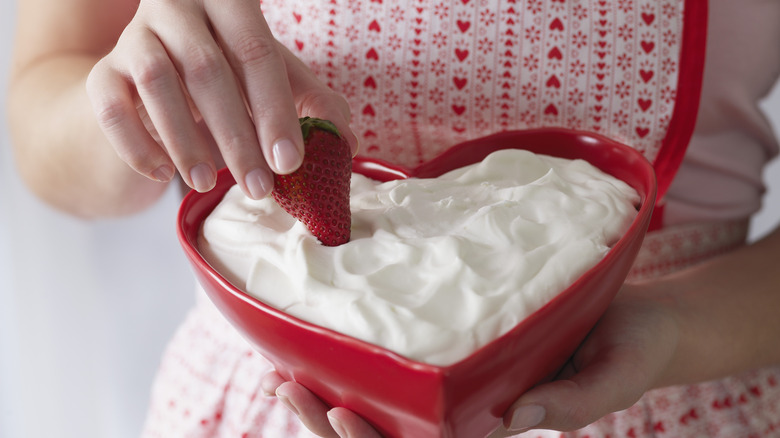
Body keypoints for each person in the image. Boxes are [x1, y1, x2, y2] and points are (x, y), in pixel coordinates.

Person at [7, 0, 780, 437]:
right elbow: (43, 109)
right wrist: (138, 111)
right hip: (269, 397)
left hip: (660, 393)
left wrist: (675, 323)